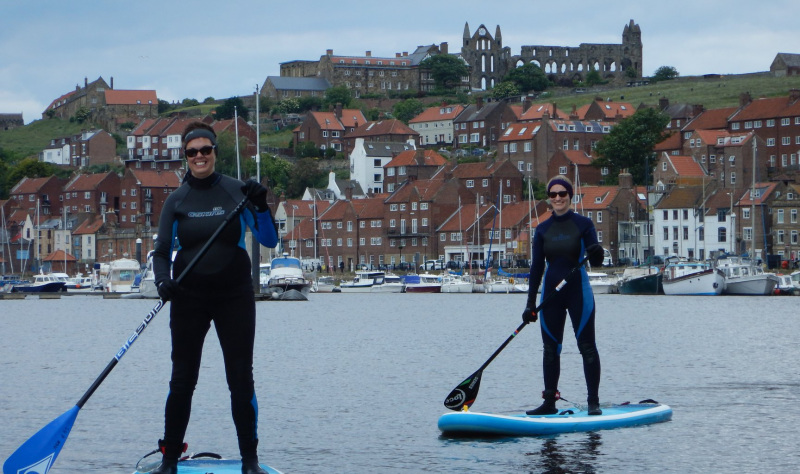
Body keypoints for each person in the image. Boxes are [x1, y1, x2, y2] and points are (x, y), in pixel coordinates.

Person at [151, 121, 279, 474]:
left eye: (205, 150)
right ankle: (169, 460)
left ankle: (250, 461)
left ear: (214, 152)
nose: (199, 156)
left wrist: (263, 205)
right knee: (182, 381)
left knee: (240, 379)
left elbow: (269, 241)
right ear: (185, 156)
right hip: (189, 298)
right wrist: (163, 281)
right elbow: (161, 252)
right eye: (192, 152)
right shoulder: (177, 201)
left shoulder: (238, 193)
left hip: (234, 297)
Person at [522, 175, 605, 416]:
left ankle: (593, 403)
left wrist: (596, 251)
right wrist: (530, 305)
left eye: (562, 193)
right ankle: (549, 402)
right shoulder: (542, 229)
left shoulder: (584, 224)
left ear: (570, 196)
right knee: (550, 350)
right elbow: (536, 268)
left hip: (578, 292)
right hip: (551, 295)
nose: (558, 198)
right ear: (549, 199)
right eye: (553, 194)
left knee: (587, 347)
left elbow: (597, 262)